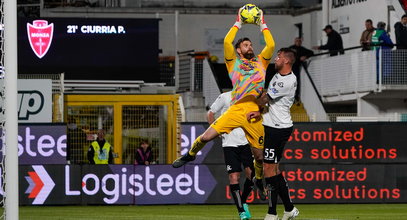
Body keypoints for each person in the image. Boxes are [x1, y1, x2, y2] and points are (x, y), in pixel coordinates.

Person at [172, 8, 275, 219]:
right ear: (238, 51)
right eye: (246, 45)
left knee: (259, 155)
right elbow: (227, 42)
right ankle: (189, 155)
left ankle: (258, 180)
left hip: (254, 112)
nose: (250, 47)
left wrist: (262, 23)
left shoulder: (261, 62)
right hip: (237, 109)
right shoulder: (233, 62)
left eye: (251, 44)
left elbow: (271, 45)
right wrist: (238, 22)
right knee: (206, 136)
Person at [251, 48, 299, 220]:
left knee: (268, 168)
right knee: (274, 169)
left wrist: (251, 104)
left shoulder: (285, 81)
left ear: (286, 61)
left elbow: (265, 99)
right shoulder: (278, 76)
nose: (276, 59)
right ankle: (289, 209)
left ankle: (272, 213)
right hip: (272, 125)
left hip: (278, 128)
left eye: (279, 57)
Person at [207, 91, 259, 220]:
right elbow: (210, 113)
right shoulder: (225, 97)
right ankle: (241, 210)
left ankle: (243, 201)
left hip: (245, 142)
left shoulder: (248, 97)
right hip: (229, 144)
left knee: (251, 175)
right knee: (233, 176)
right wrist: (216, 130)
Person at [289, 37, 314, 102]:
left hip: (296, 68)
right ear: (294, 41)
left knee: (296, 83)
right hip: (289, 67)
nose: (298, 42)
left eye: (299, 41)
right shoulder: (290, 48)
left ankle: (296, 97)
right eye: (297, 41)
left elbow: (311, 52)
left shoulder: (302, 49)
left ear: (301, 42)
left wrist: (305, 57)